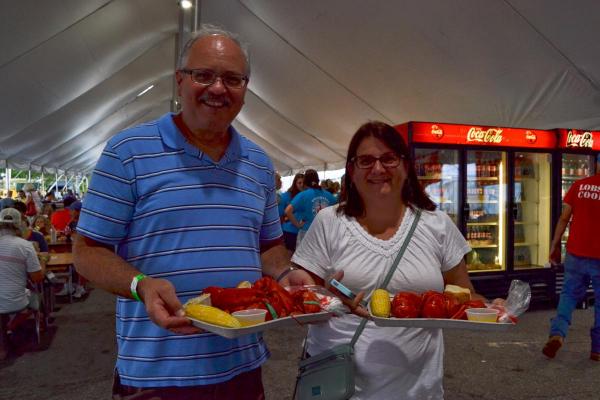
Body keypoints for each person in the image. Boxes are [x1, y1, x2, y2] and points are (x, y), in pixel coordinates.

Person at [73, 24, 314, 399]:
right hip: (156, 375)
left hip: (242, 366)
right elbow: (86, 251)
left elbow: (268, 247)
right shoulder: (127, 152)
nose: (218, 88)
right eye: (204, 75)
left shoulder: (259, 163)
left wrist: (286, 273)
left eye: (232, 79)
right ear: (180, 81)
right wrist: (141, 285)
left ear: (245, 90)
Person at [291, 121, 486, 399]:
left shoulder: (437, 225)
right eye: (366, 160)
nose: (378, 169)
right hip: (339, 386)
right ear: (352, 171)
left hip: (418, 388)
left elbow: (463, 293)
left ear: (406, 166)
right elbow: (302, 294)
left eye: (389, 159)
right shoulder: (328, 222)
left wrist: (494, 309)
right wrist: (321, 295)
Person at [543, 167, 600, 361]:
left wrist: (554, 244)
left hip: (575, 254)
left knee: (568, 296)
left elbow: (564, 218)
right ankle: (597, 349)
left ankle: (557, 334)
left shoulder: (579, 185)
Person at [0, 207, 44, 360]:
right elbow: (37, 278)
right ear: (20, 224)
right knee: (31, 302)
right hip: (15, 302)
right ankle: (8, 330)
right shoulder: (25, 246)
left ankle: (3, 336)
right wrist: (42, 263)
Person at [285, 169, 337, 247]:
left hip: (307, 234)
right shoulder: (329, 195)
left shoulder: (303, 195)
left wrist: (298, 225)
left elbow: (288, 211)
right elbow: (338, 210)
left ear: (305, 182)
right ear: (318, 180)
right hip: (324, 235)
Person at [278, 173, 304, 251]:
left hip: (303, 232)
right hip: (289, 231)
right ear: (295, 183)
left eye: (304, 183)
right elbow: (280, 215)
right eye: (299, 183)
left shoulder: (306, 195)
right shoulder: (285, 196)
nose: (302, 185)